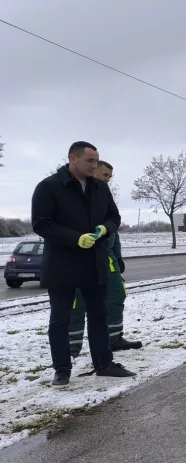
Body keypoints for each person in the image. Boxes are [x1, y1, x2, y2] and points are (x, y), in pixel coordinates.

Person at [31, 141, 136, 386]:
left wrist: (104, 229)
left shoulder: (100, 188)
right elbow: (41, 223)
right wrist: (75, 238)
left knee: (99, 314)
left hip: (94, 263)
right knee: (60, 319)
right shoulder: (48, 187)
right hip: (62, 266)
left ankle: (104, 363)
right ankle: (62, 370)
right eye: (90, 161)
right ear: (73, 159)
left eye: (96, 161)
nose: (94, 165)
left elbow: (114, 217)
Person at [69, 161, 142, 358]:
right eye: (105, 175)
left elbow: (114, 231)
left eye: (110, 176)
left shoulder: (105, 196)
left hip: (107, 259)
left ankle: (114, 338)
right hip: (80, 258)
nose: (108, 179)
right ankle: (72, 347)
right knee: (78, 303)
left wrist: (118, 257)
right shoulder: (80, 194)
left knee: (117, 296)